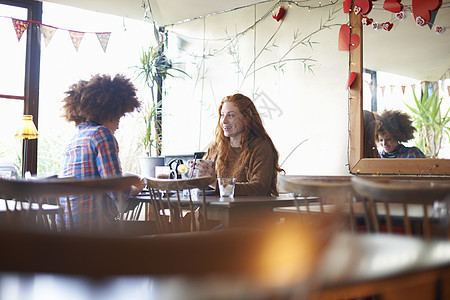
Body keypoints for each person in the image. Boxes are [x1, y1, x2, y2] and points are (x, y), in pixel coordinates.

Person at [59, 74, 145, 227]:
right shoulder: (102, 134)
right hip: (95, 231)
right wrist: (136, 187)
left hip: (66, 230)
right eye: (118, 117)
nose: (118, 126)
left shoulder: (75, 139)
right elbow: (118, 193)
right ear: (108, 113)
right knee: (159, 227)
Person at [197, 93, 284, 196]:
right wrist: (198, 176)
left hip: (248, 211)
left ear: (247, 119)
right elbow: (208, 187)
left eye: (231, 115)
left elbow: (259, 188)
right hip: (216, 210)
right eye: (222, 115)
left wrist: (216, 183)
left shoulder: (261, 147)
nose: (224, 121)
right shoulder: (216, 147)